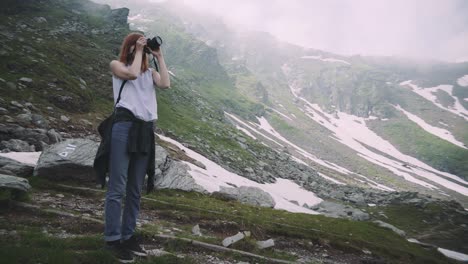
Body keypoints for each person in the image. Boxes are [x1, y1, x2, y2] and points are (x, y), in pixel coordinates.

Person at [104, 32, 170, 263]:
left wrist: (159, 56)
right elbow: (131, 74)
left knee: (135, 189)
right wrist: (139, 50)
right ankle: (113, 239)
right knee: (117, 186)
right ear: (130, 47)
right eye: (137, 43)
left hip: (145, 129)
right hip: (124, 125)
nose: (142, 46)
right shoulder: (118, 65)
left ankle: (129, 236)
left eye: (143, 43)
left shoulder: (149, 73)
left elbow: (166, 84)